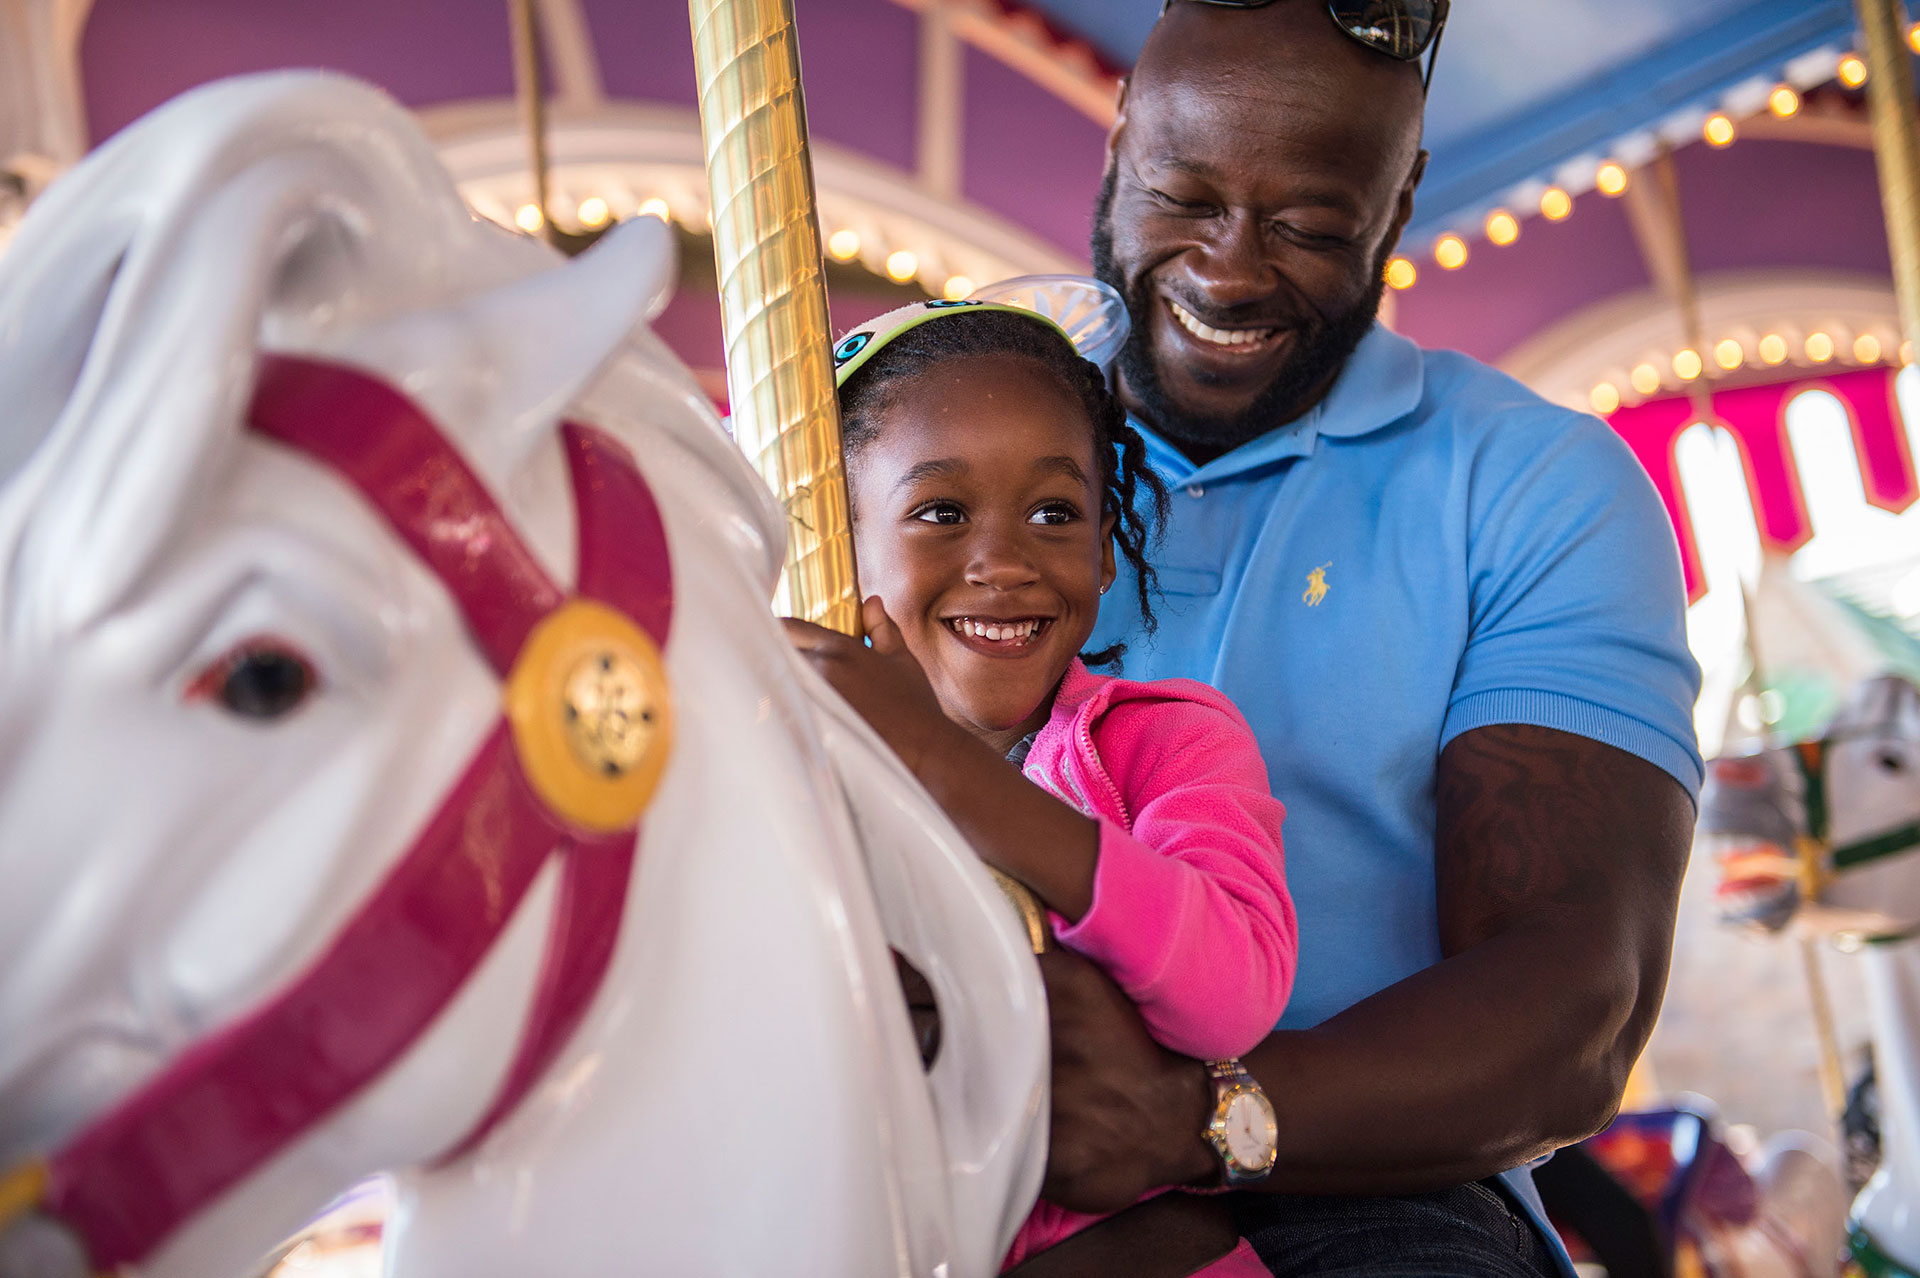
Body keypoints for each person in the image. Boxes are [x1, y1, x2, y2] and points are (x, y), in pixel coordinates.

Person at [1035, 2, 1704, 1276]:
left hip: (1344, 1176)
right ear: (1120, 145)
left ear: (1398, 207)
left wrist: (1195, 1119)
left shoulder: (1534, 483)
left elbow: (1577, 998)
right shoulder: (961, 437)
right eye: (1183, 196)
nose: (1229, 272)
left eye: (1310, 228)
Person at [785, 298, 1297, 1275]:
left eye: (1054, 514)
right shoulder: (798, 772)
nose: (1006, 561)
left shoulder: (1165, 741)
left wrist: (949, 771)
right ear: (840, 546)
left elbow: (1230, 994)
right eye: (941, 512)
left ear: (1106, 544)